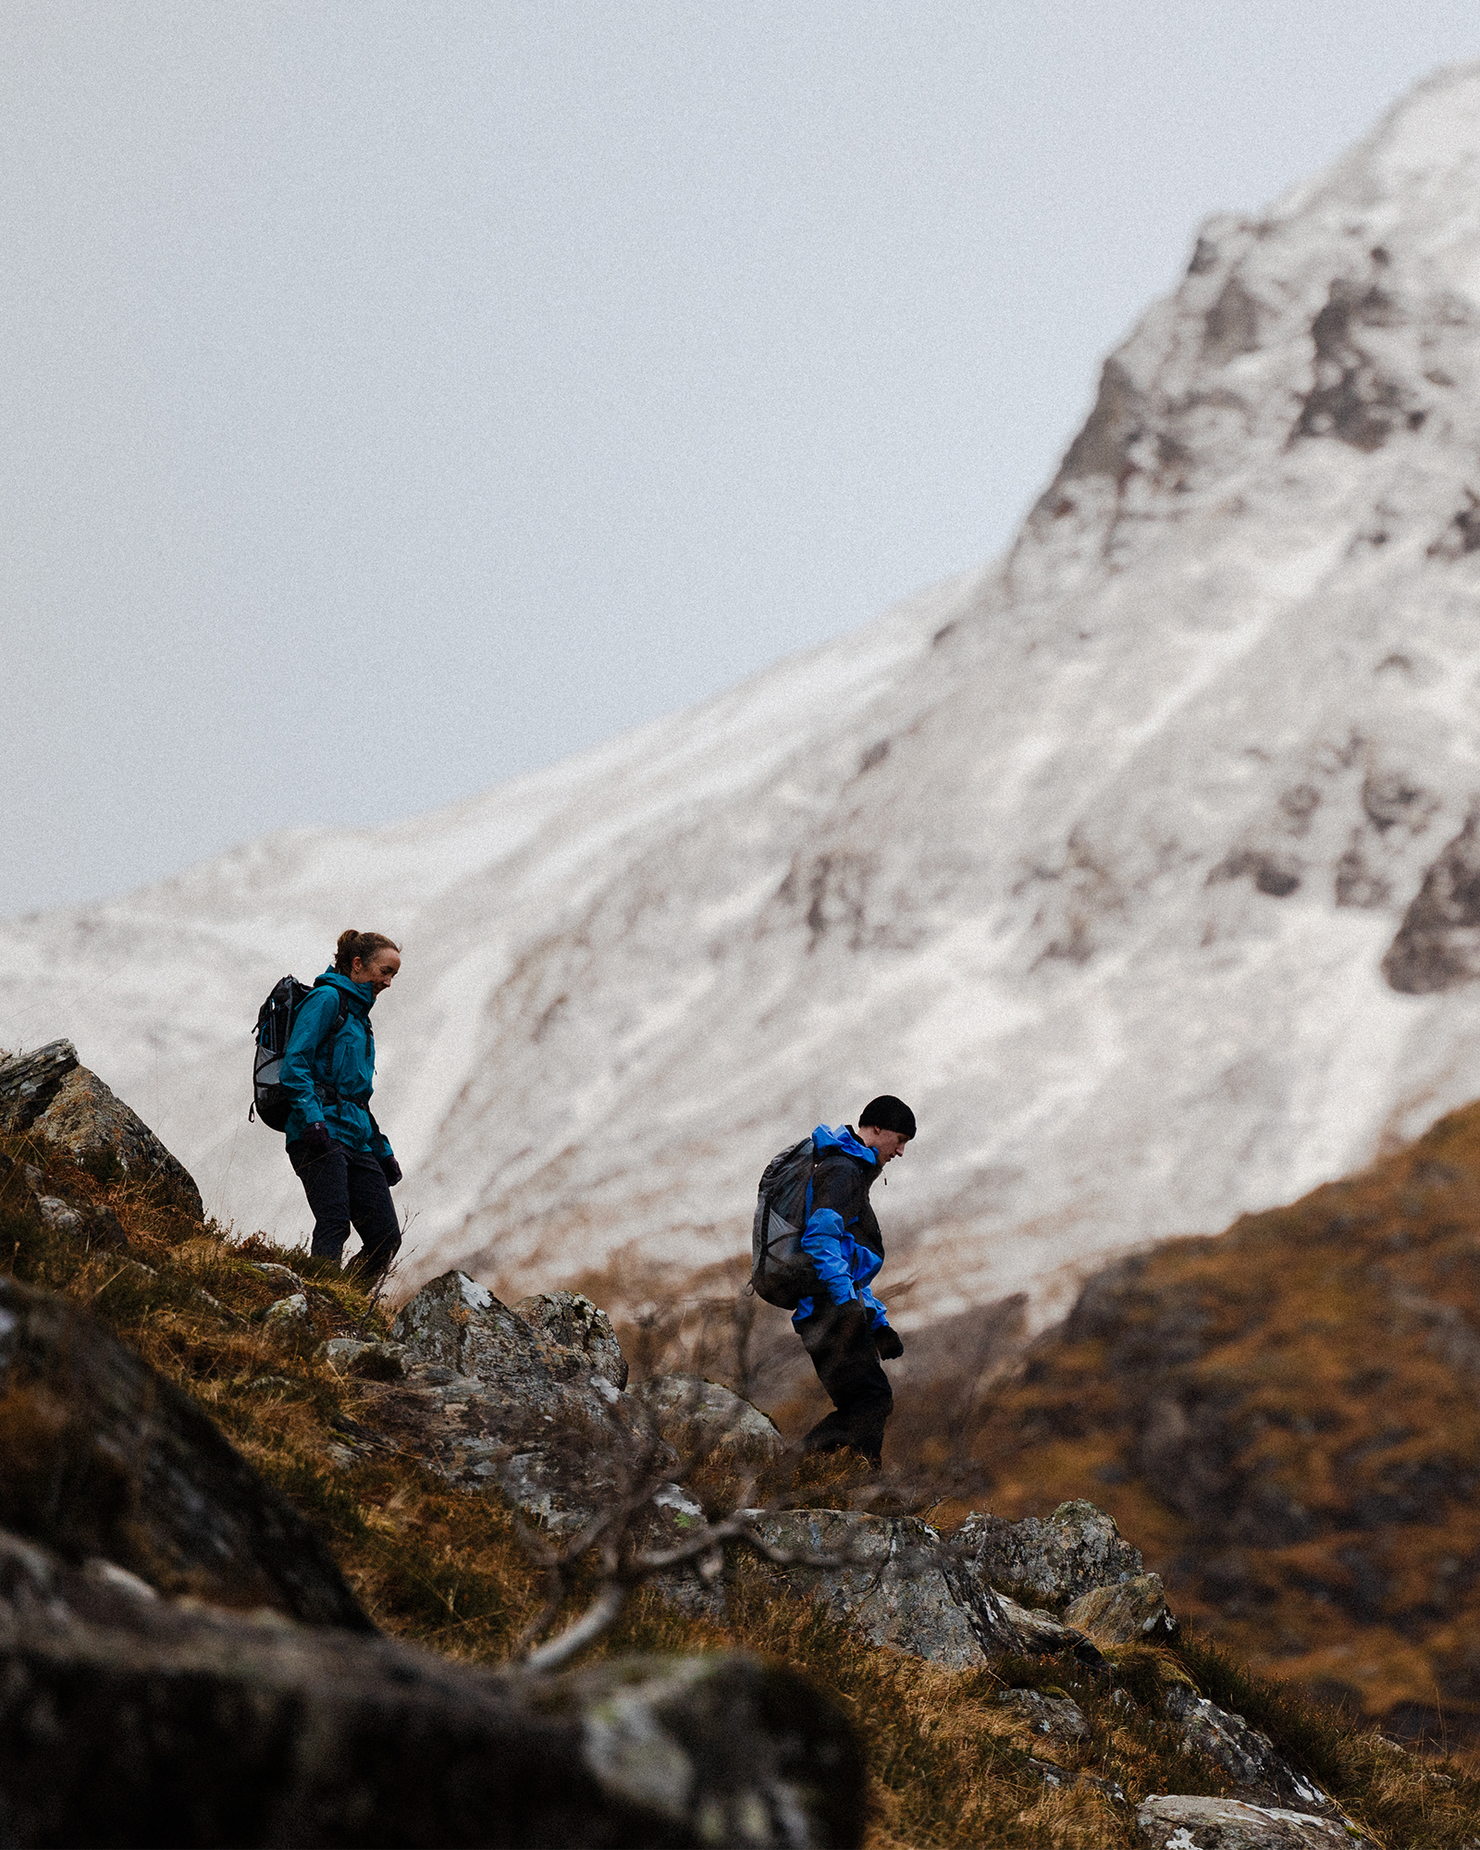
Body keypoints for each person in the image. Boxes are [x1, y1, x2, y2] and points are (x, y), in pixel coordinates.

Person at [793, 1095, 916, 1468]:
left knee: (866, 1401)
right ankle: (795, 1469)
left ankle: (841, 1477)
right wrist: (846, 1304)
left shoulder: (849, 1169)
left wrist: (877, 1323)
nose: (900, 1151)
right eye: (899, 1140)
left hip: (831, 1307)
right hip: (827, 1311)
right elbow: (819, 1238)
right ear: (876, 1129)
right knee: (871, 1400)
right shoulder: (843, 1171)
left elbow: (850, 1262)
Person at [281, 929, 404, 1283]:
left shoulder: (360, 1019)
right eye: (385, 971)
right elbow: (295, 1065)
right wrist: (312, 1120)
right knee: (334, 1222)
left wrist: (383, 1151)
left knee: (385, 1238)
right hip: (317, 1133)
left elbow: (358, 1096)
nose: (388, 982)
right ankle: (318, 1307)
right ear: (357, 965)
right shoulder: (327, 1000)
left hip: (357, 1139)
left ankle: (344, 1305)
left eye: (393, 974)